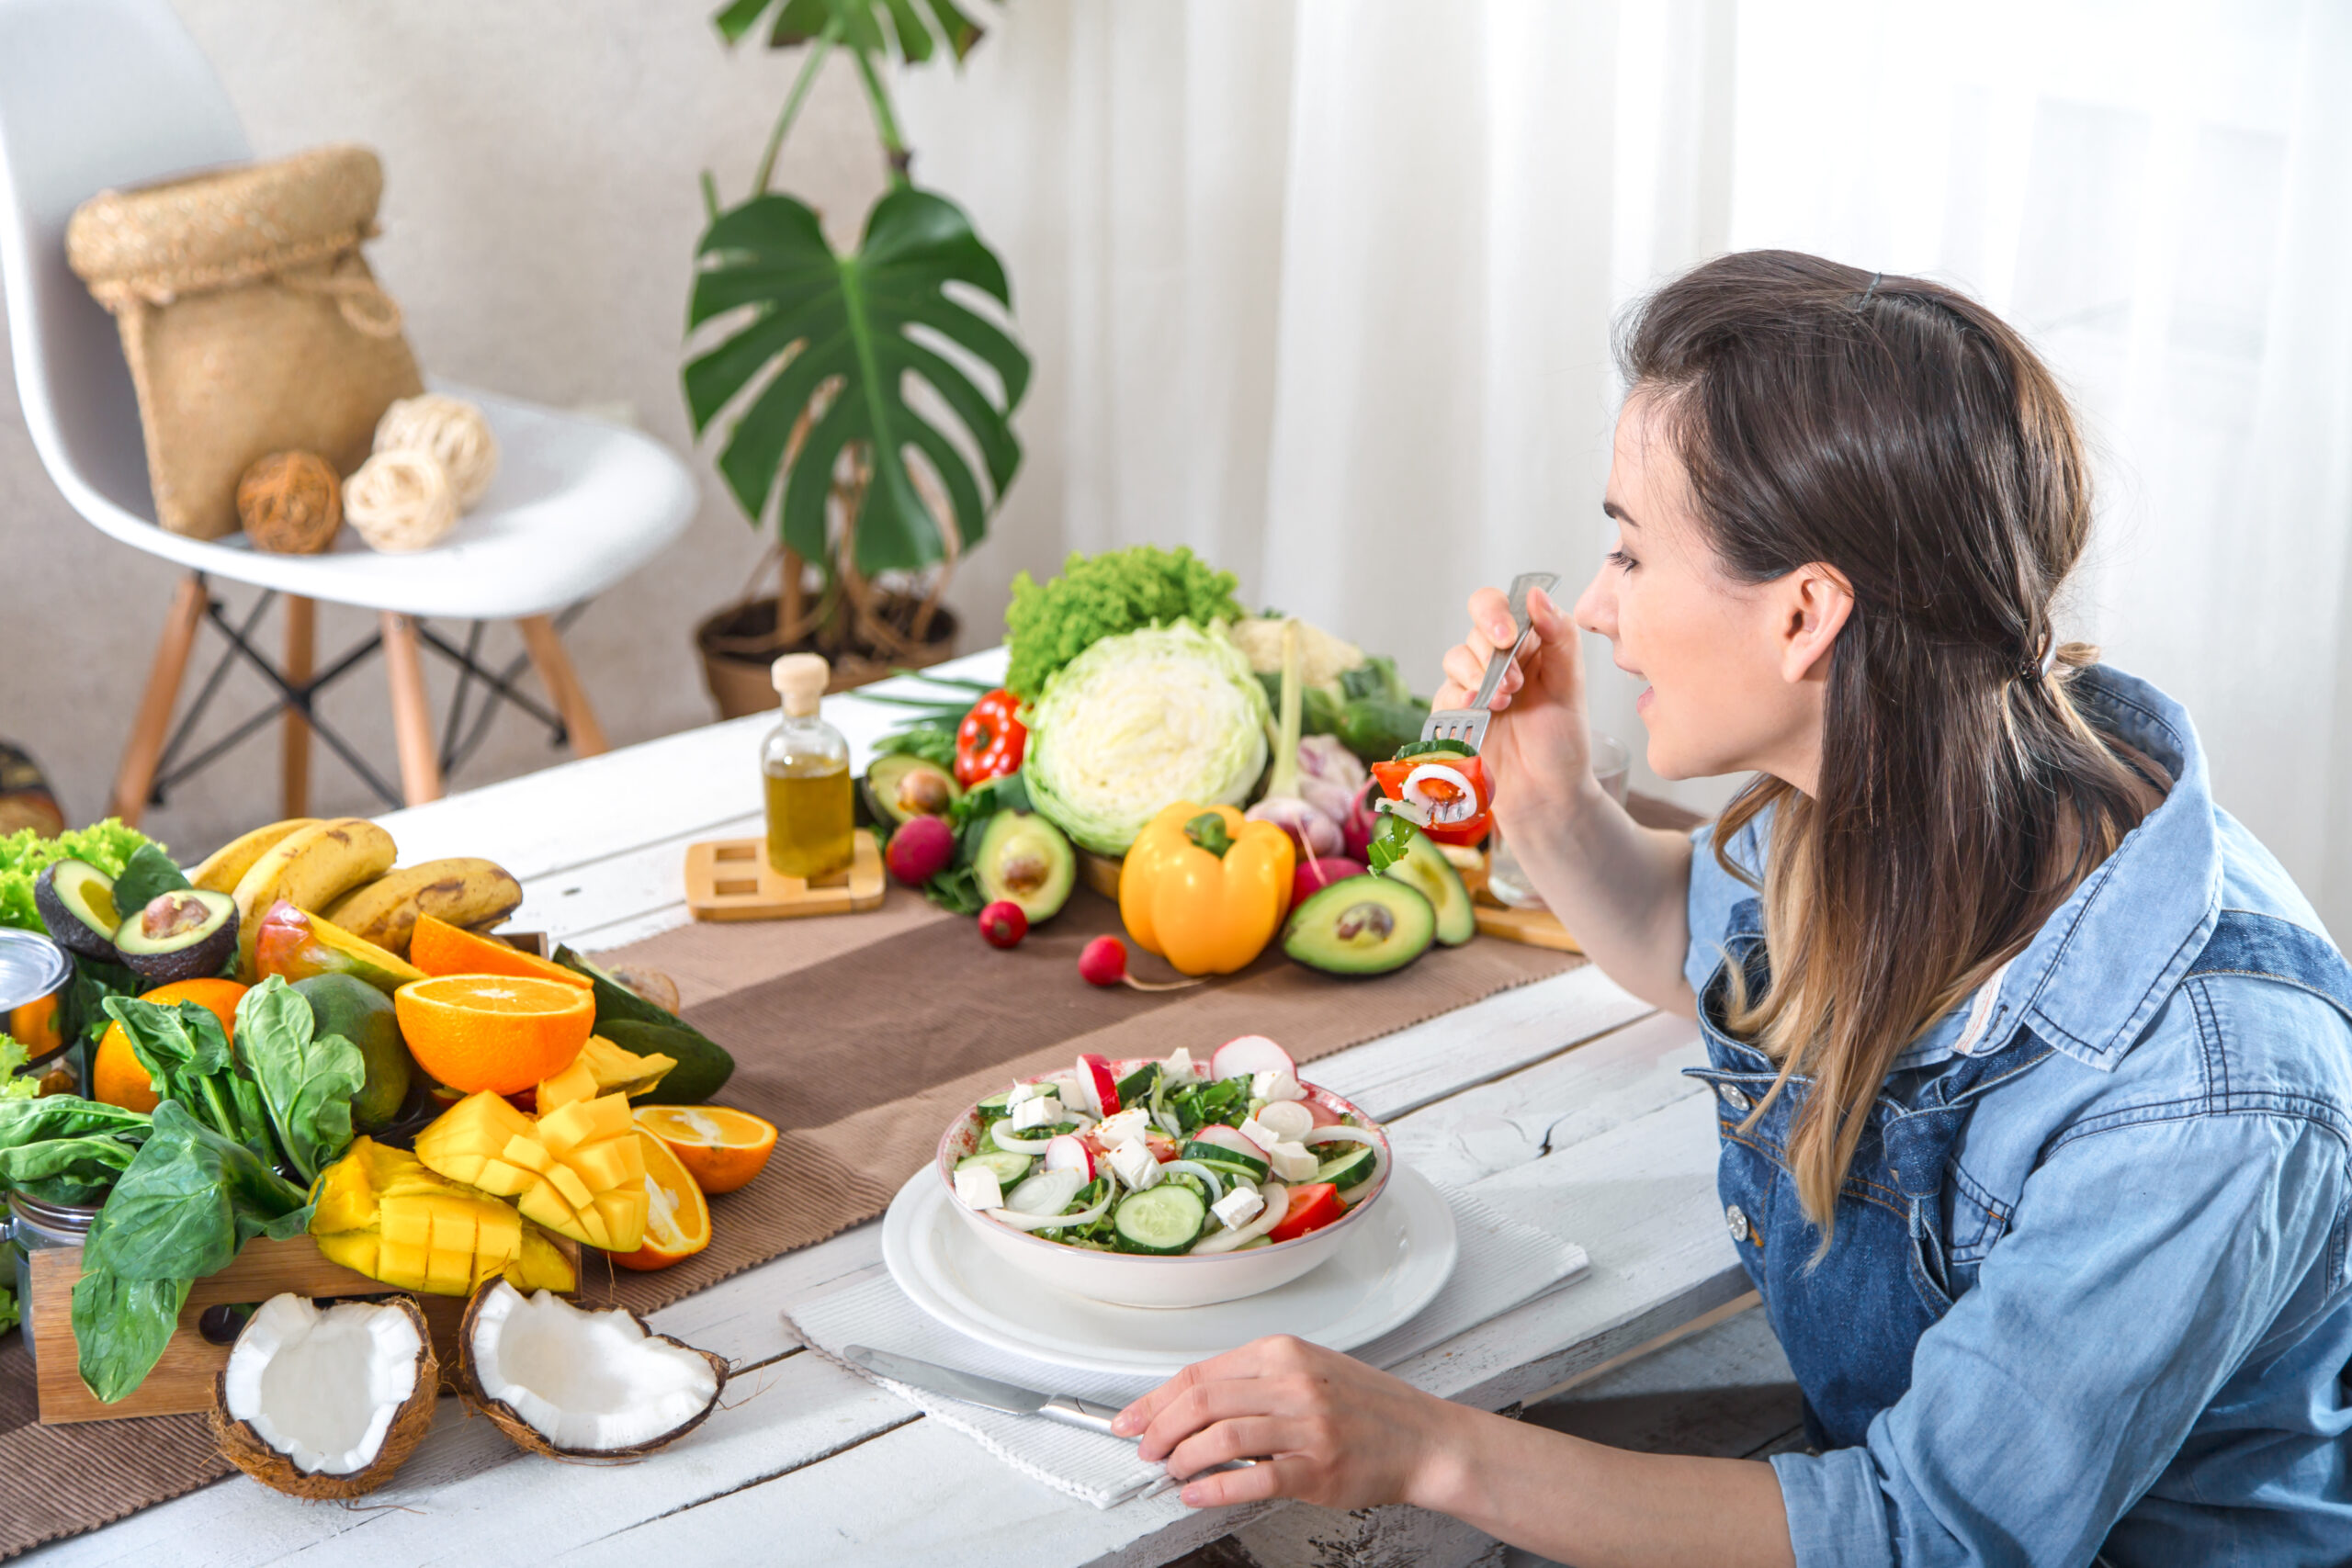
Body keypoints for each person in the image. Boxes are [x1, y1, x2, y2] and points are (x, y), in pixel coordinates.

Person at [1111, 251, 2352, 1566]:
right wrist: (1549, 802)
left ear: (1808, 614)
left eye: (1631, 553)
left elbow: (1916, 1539)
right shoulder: (1915, 780)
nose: (1597, 607)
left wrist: (1425, 1443)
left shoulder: (2207, 1099)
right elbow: (1693, 951)